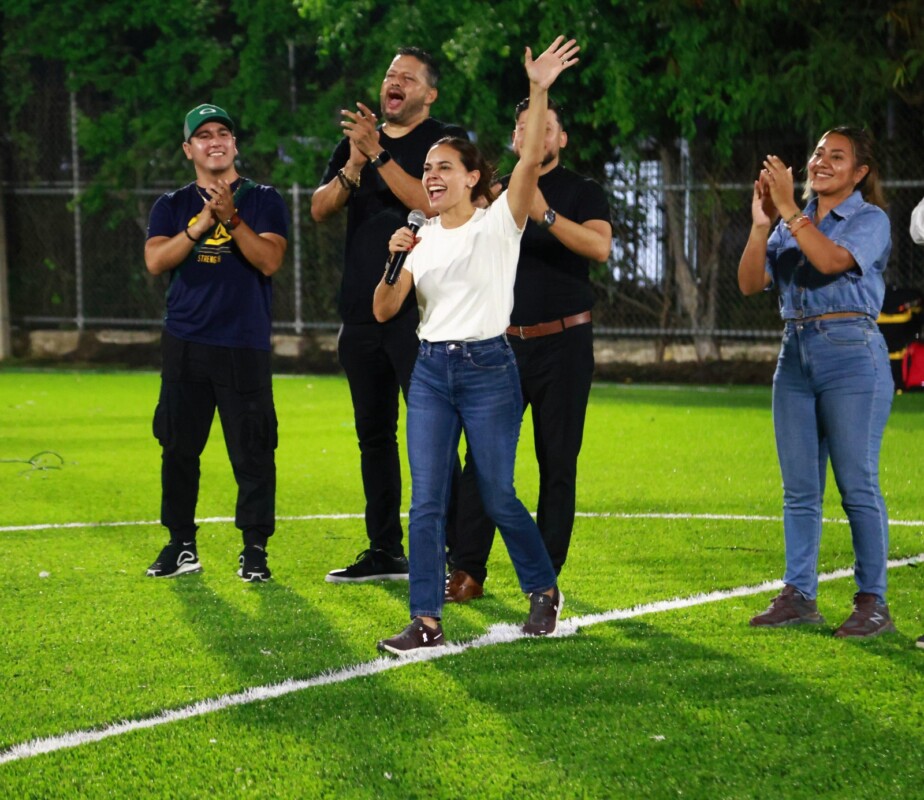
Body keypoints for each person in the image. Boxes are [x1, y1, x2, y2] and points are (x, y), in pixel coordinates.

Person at [373, 35, 581, 655]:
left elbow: (527, 162)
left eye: (444, 167)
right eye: (427, 169)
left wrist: (538, 90)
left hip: (489, 367)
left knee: (495, 493)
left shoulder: (500, 223)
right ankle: (425, 620)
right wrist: (394, 259)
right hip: (431, 371)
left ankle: (542, 588)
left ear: (471, 178)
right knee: (427, 501)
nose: (431, 176)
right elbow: (383, 309)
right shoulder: (420, 236)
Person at [444, 96, 612, 604]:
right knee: (483, 459)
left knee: (556, 461)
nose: (532, 133)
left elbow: (599, 247)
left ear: (561, 138)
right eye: (522, 127)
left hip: (564, 343)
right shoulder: (495, 194)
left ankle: (544, 577)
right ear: (515, 139)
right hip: (502, 345)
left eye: (544, 126)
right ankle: (467, 570)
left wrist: (546, 214)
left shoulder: (582, 190)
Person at [311, 47, 467, 584]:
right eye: (389, 75)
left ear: (430, 94)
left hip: (420, 315)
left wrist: (378, 154)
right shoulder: (357, 145)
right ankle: (384, 550)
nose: (393, 82)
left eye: (407, 77)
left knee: (435, 436)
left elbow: (432, 202)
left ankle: (458, 555)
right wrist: (355, 164)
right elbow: (320, 208)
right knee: (373, 437)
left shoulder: (442, 143)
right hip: (360, 313)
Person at [738, 126, 895, 637]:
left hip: (852, 355)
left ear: (860, 172)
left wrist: (787, 209)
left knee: (856, 484)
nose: (822, 162)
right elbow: (749, 283)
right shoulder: (791, 221)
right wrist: (761, 224)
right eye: (819, 153)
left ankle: (872, 602)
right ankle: (799, 595)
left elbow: (829, 261)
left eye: (837, 156)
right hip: (795, 354)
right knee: (800, 489)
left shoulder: (871, 219)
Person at [144, 103, 288, 582]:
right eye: (203, 135)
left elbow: (270, 260)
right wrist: (201, 224)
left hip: (243, 343)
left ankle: (254, 549)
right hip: (185, 342)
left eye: (223, 133)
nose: (215, 141)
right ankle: (181, 544)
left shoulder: (263, 199)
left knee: (253, 450)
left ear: (235, 144)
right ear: (189, 149)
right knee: (178, 448)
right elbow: (156, 261)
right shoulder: (171, 205)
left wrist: (233, 219)